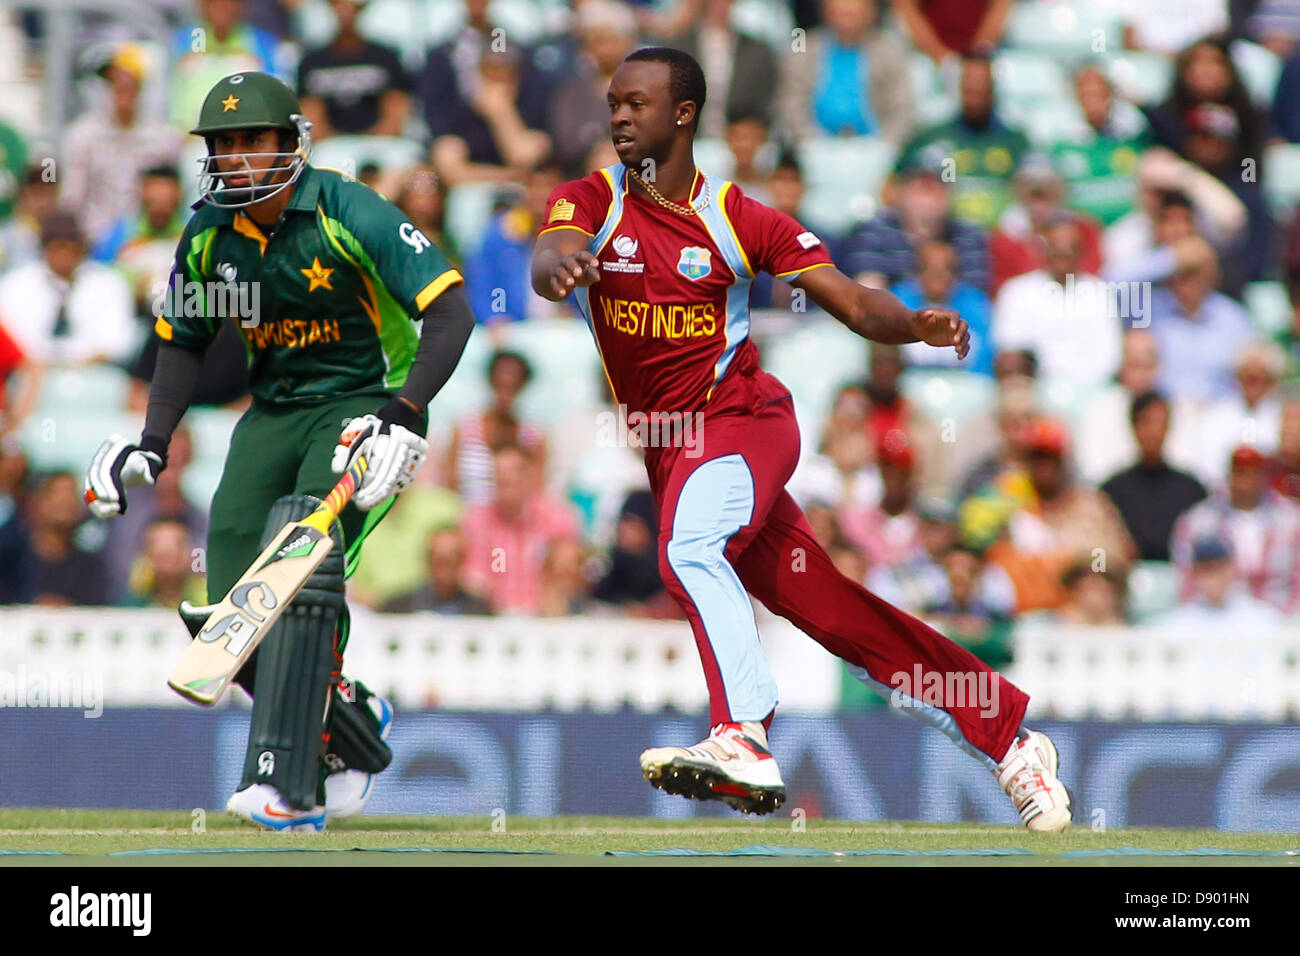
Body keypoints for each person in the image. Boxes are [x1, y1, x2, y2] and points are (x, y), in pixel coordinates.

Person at [531, 48, 1070, 830]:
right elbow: (549, 252)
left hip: (746, 426)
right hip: (675, 455)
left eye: (635, 104)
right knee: (839, 616)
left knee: (687, 549)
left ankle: (743, 731)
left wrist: (913, 324)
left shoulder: (739, 217)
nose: (617, 116)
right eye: (613, 102)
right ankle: (1011, 742)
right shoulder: (590, 203)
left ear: (683, 115)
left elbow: (850, 301)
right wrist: (557, 270)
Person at [81, 73, 475, 832]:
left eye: (250, 141)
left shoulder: (345, 209)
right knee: (225, 612)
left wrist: (403, 413)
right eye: (221, 145)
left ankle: (286, 784)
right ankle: (349, 720)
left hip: (366, 401)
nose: (235, 159)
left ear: (291, 142)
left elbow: (452, 314)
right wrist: (152, 445)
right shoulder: (208, 236)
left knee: (295, 564)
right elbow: (181, 343)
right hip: (271, 414)